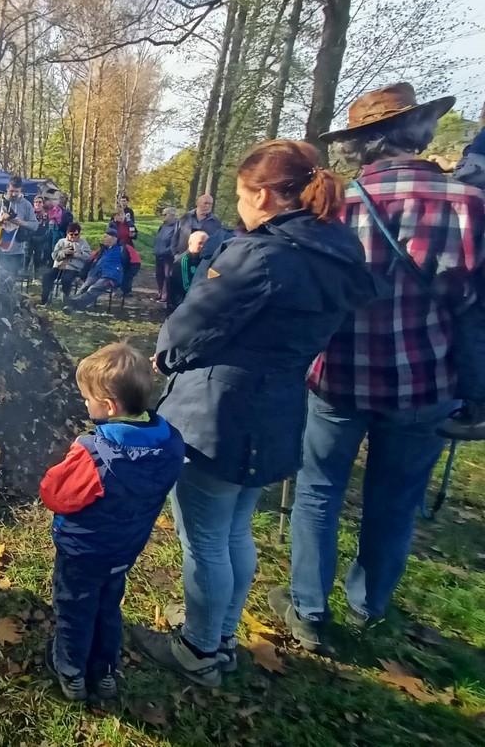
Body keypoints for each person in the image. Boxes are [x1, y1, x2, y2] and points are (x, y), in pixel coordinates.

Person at [131, 140, 377, 688]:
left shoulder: (260, 254)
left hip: (218, 415)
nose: (239, 206)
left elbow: (188, 329)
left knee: (204, 540)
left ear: (262, 194)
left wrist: (165, 351)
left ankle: (198, 648)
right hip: (280, 410)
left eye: (242, 195)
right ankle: (217, 632)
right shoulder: (338, 251)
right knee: (235, 529)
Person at [269, 84, 485, 651]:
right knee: (396, 499)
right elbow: (476, 307)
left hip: (337, 376)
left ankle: (310, 611)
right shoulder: (468, 205)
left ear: (361, 145)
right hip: (426, 384)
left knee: (319, 490)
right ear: (419, 134)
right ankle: (369, 606)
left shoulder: (335, 207)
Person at [40, 343, 185, 703]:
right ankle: (104, 673)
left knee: (75, 607)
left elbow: (54, 494)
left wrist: (75, 454)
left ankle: (70, 671)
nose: (84, 404)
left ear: (108, 405)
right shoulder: (171, 442)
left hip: (82, 552)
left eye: (87, 398)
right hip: (125, 548)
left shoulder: (94, 453)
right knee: (108, 606)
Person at [0, 176, 39, 275]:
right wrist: (0, 220)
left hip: (18, 251)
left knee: (12, 281)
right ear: (7, 189)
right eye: (11, 191)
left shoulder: (26, 205)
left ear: (21, 191)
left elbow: (35, 225)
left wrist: (21, 222)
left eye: (16, 192)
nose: (14, 194)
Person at [66, 233, 123, 311]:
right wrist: (83, 274)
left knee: (94, 288)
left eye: (106, 236)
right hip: (96, 273)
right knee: (84, 287)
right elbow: (90, 260)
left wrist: (126, 283)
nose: (103, 238)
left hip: (111, 276)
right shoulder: (102, 249)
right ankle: (71, 307)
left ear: (113, 238)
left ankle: (74, 303)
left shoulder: (123, 249)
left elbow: (135, 264)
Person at [40, 222, 91, 306]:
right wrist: (64, 253)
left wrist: (76, 254)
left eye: (76, 234)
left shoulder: (83, 243)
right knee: (47, 276)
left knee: (66, 279)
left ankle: (65, 301)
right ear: (67, 234)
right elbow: (54, 255)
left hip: (73, 268)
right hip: (59, 266)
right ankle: (45, 299)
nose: (74, 236)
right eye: (71, 234)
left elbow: (88, 256)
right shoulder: (61, 242)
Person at [174, 193, 225, 259]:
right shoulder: (185, 217)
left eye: (210, 204)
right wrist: (175, 254)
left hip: (203, 259)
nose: (208, 206)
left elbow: (218, 242)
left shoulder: (215, 222)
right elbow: (175, 235)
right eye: (205, 203)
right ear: (197, 203)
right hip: (182, 256)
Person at [166, 231, 207, 314]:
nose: (203, 246)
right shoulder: (183, 261)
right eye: (200, 243)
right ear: (190, 243)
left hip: (195, 301)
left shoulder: (203, 259)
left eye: (205, 243)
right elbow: (185, 286)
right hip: (181, 304)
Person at [152, 207, 178, 303]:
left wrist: (170, 251)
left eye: (165, 214)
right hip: (159, 253)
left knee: (167, 276)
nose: (163, 216)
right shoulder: (163, 226)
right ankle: (160, 292)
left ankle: (166, 295)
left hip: (168, 255)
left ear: (171, 215)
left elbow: (175, 241)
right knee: (159, 275)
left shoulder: (176, 226)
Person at [26, 195, 53, 278]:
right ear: (33, 203)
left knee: (38, 259)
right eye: (36, 202)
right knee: (26, 257)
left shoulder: (47, 215)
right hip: (29, 239)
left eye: (40, 202)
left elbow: (49, 229)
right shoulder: (29, 214)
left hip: (41, 239)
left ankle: (36, 276)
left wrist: (43, 238)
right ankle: (24, 274)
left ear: (43, 204)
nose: (38, 204)